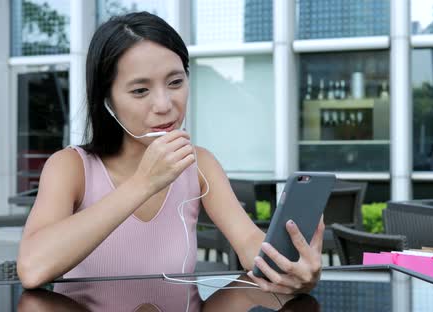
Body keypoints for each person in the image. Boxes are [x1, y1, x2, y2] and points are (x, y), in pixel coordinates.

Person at [16, 12, 324, 296]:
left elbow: (247, 243)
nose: (164, 104)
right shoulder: (70, 166)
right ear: (106, 100)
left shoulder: (199, 163)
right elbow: (32, 269)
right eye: (140, 91)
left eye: (175, 82)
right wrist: (144, 183)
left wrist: (288, 267)